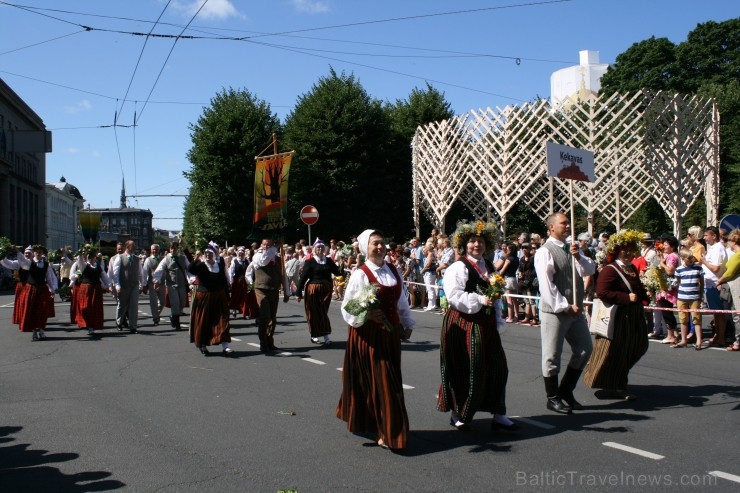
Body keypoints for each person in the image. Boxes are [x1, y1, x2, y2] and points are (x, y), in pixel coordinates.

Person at [337, 229, 416, 451]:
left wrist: (407, 323)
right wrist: (367, 314)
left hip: (390, 335)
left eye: (382, 243)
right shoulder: (360, 274)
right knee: (382, 382)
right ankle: (390, 433)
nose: (380, 247)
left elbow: (401, 300)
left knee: (385, 382)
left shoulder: (393, 270)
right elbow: (348, 307)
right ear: (365, 248)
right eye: (375, 244)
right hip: (368, 335)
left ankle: (382, 427)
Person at [437, 220, 517, 431]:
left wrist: (497, 316)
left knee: (499, 367)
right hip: (464, 323)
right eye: (472, 241)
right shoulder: (458, 267)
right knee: (466, 368)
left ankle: (499, 412)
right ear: (464, 244)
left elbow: (496, 294)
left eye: (480, 241)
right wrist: (481, 301)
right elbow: (454, 296)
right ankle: (459, 412)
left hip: (486, 323)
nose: (476, 245)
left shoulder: (489, 265)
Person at [534, 213, 595, 414]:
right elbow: (546, 285)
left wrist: (578, 256)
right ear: (551, 227)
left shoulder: (572, 248)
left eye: (568, 223)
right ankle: (552, 397)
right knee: (552, 355)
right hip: (556, 311)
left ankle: (565, 390)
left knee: (585, 348)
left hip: (575, 311)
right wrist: (565, 306)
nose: (568, 226)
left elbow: (589, 269)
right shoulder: (545, 251)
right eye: (563, 223)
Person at [583, 230, 650, 400]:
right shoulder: (610, 270)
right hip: (619, 317)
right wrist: (626, 297)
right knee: (619, 351)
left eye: (630, 250)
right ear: (617, 251)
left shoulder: (632, 267)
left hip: (634, 316)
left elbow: (638, 289)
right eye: (624, 250)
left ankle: (617, 379)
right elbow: (602, 292)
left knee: (639, 346)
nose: (628, 253)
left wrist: (648, 291)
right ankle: (620, 385)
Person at [187, 242, 233, 356]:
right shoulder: (201, 265)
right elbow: (190, 269)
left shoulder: (220, 265)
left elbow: (223, 281)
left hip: (219, 296)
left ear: (214, 254)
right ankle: (203, 344)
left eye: (210, 253)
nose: (207, 255)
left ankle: (225, 346)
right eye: (206, 253)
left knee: (223, 320)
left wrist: (227, 296)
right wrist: (195, 259)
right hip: (205, 297)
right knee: (204, 321)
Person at [5, 245, 57, 340]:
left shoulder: (46, 264)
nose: (38, 253)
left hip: (42, 289)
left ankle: (41, 331)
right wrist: (17, 251)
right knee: (32, 311)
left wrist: (52, 290)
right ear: (34, 253)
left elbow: (48, 278)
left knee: (42, 311)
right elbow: (22, 261)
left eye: (40, 252)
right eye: (36, 251)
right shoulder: (29, 263)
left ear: (42, 253)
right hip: (32, 289)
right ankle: (34, 332)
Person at [296, 238, 341, 347]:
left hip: (326, 289)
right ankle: (317, 335)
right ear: (315, 250)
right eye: (318, 248)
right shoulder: (310, 262)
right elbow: (303, 277)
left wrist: (342, 278)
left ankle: (324, 335)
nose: (320, 249)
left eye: (322, 247)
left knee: (323, 312)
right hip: (313, 289)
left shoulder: (329, 261)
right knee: (313, 312)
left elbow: (337, 272)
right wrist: (298, 292)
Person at [249, 238, 290, 353]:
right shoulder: (257, 256)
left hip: (274, 290)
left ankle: (269, 340)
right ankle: (263, 341)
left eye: (269, 244)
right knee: (265, 316)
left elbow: (283, 275)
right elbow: (264, 261)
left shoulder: (278, 259)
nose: (266, 246)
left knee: (273, 318)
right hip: (261, 289)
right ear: (261, 245)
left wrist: (287, 292)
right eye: (264, 244)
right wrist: (275, 247)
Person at [69, 244, 111, 338]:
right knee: (85, 307)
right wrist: (80, 254)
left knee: (94, 308)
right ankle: (85, 323)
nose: (91, 258)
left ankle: (91, 326)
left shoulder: (98, 267)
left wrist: (109, 286)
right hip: (86, 289)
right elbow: (79, 263)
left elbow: (104, 277)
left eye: (92, 256)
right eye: (89, 256)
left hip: (96, 289)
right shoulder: (83, 265)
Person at [699, 226, 728, 347]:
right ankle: (717, 335)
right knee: (715, 313)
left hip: (714, 284)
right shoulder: (713, 248)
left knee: (719, 313)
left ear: (714, 236)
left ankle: (721, 337)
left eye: (706, 235)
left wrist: (703, 261)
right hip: (710, 284)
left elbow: (716, 268)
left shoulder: (717, 248)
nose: (705, 238)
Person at [152, 241, 190, 331]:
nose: (173, 250)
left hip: (182, 284)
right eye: (171, 248)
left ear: (178, 249)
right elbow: (160, 269)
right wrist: (157, 279)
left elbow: (188, 269)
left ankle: (173, 316)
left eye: (175, 248)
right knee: (175, 303)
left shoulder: (183, 258)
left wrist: (192, 280)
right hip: (171, 284)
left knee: (182, 303)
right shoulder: (166, 258)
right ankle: (177, 323)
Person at [673, 249, 704, 349]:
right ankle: (683, 340)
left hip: (694, 297)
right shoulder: (679, 269)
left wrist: (700, 294)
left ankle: (699, 341)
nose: (691, 260)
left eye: (692, 257)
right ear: (682, 258)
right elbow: (677, 282)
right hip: (682, 297)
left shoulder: (698, 268)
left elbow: (701, 282)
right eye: (688, 258)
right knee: (683, 319)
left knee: (696, 319)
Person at [716, 229, 740, 351]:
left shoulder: (738, 255)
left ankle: (738, 342)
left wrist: (719, 281)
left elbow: (729, 272)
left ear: (733, 241)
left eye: (729, 241)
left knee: (737, 315)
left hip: (737, 287)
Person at [112, 240, 141, 334]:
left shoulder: (137, 259)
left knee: (134, 306)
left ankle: (133, 326)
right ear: (127, 247)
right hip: (124, 285)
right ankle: (119, 322)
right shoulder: (120, 258)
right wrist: (117, 285)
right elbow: (115, 273)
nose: (135, 247)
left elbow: (140, 273)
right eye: (133, 246)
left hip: (134, 286)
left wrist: (141, 284)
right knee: (122, 305)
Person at [655, 236, 680, 345]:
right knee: (666, 311)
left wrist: (662, 264)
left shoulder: (672, 257)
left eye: (666, 245)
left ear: (672, 246)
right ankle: (673, 334)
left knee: (666, 311)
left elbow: (670, 271)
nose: (664, 247)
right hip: (666, 287)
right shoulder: (669, 256)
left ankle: (671, 334)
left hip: (669, 288)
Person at [141, 244, 165, 326]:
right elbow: (144, 273)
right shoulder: (148, 260)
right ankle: (155, 318)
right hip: (152, 283)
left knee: (162, 302)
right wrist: (144, 285)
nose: (154, 251)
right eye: (153, 249)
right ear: (151, 250)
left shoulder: (162, 259)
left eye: (156, 249)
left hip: (162, 283)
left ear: (159, 250)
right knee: (153, 302)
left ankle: (156, 314)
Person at [228, 247, 250, 319]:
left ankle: (245, 313)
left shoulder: (247, 261)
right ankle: (234, 310)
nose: (241, 254)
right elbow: (231, 272)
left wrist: (251, 282)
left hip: (246, 281)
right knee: (235, 296)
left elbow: (250, 271)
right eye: (239, 253)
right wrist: (231, 281)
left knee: (245, 297)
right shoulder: (234, 261)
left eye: (242, 253)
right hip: (237, 281)